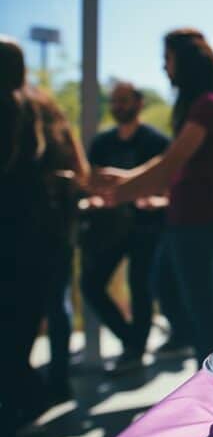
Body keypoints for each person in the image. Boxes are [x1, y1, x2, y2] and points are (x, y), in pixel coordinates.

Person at [93, 28, 213, 361]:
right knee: (173, 291)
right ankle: (206, 367)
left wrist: (121, 190)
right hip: (187, 217)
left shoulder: (208, 106)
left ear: (184, 62)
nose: (163, 67)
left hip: (199, 219)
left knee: (202, 309)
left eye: (167, 59)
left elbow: (173, 162)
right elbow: (175, 165)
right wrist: (128, 181)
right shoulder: (203, 105)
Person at [0, 36, 90, 436]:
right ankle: (51, 385)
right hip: (53, 231)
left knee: (14, 320)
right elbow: (80, 170)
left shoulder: (11, 107)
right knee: (48, 309)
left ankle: (25, 396)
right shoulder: (46, 108)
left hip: (16, 232)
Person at [79, 82, 169, 372]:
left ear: (138, 103)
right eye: (114, 101)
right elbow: (91, 182)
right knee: (90, 284)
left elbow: (167, 185)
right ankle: (132, 340)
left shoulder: (155, 141)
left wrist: (151, 198)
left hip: (147, 226)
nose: (118, 106)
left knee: (139, 286)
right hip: (109, 227)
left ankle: (135, 350)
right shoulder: (103, 143)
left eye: (123, 100)